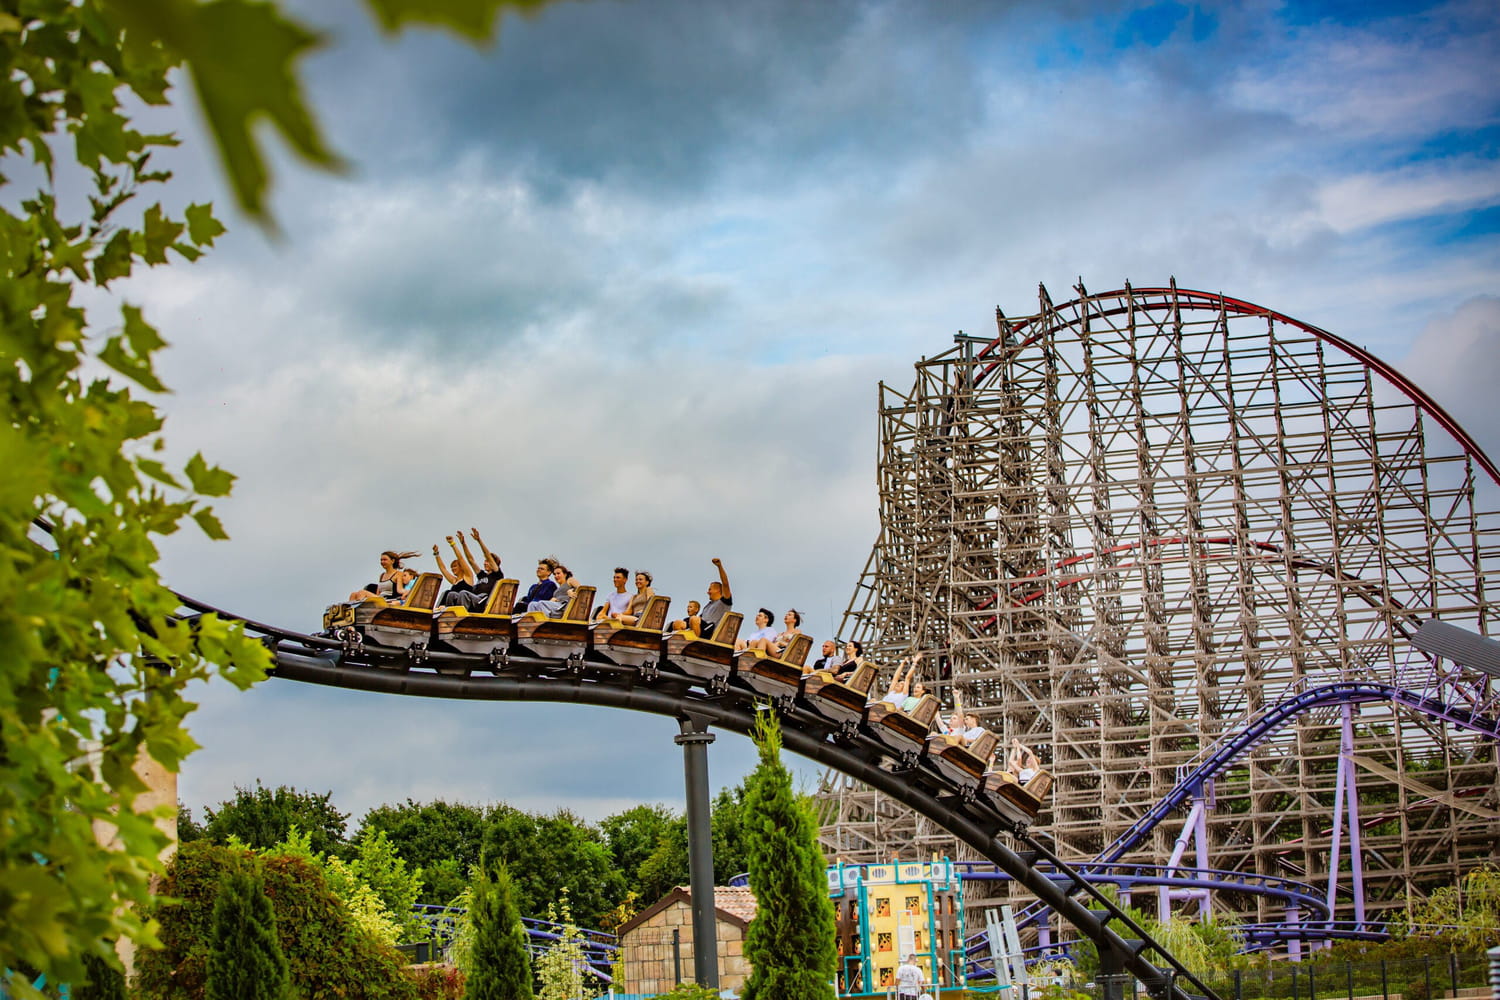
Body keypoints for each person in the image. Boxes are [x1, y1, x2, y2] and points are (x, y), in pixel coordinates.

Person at [670, 557, 732, 637]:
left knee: (694, 619)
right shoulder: (708, 606)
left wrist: (719, 566)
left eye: (710, 589)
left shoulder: (724, 602)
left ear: (718, 590)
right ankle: (678, 645)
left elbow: (725, 584)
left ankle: (695, 644)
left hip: (711, 631)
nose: (708, 592)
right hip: (702, 628)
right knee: (678, 623)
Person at [348, 549, 418, 602]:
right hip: (380, 598)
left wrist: (409, 591)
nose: (382, 562)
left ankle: (358, 611)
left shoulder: (398, 574)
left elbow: (400, 590)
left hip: (388, 599)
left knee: (362, 592)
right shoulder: (382, 575)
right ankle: (348, 613)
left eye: (385, 560)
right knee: (353, 594)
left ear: (392, 561)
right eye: (381, 560)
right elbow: (378, 593)